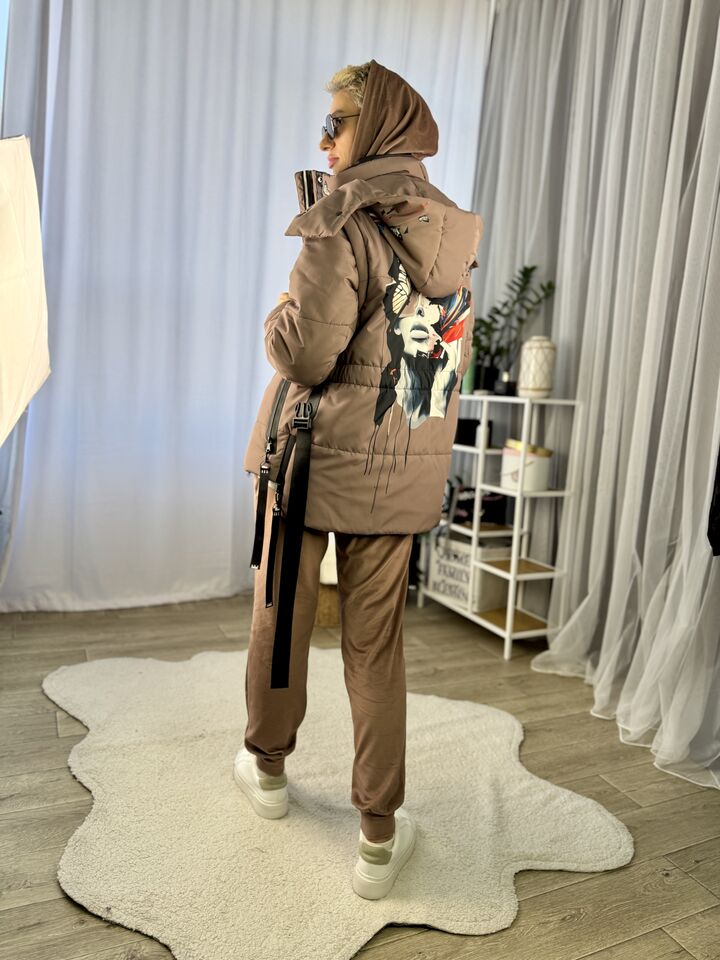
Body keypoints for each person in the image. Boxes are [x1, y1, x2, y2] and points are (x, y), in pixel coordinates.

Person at [234, 59, 483, 900]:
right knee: (377, 648)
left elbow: (304, 354)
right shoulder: (449, 232)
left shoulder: (337, 220)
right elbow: (430, 375)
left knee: (282, 615)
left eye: (335, 123)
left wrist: (278, 311)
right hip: (399, 468)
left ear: (374, 129)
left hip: (311, 459)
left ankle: (268, 771)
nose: (323, 141)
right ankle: (379, 838)